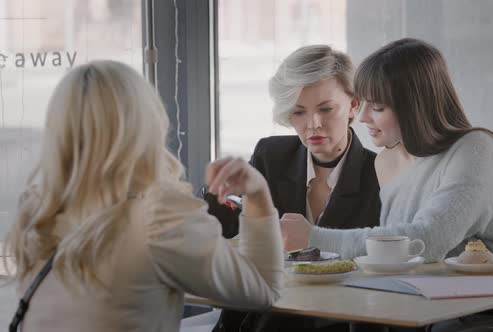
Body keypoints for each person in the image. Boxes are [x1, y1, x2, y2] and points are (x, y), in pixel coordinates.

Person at [3, 60, 283, 332]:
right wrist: (257, 192)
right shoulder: (158, 215)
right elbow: (262, 290)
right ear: (147, 122)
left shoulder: (38, 208)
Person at [280, 38, 493, 332]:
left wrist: (313, 238)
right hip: (415, 314)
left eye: (377, 107)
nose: (362, 117)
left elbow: (427, 240)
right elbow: (393, 265)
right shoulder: (386, 162)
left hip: (483, 316)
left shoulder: (475, 147)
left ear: (415, 106)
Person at [206, 45, 381, 331]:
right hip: (264, 315)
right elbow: (235, 240)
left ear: (353, 105)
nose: (313, 124)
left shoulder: (379, 174)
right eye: (298, 112)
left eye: (326, 109)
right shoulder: (270, 155)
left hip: (342, 319)